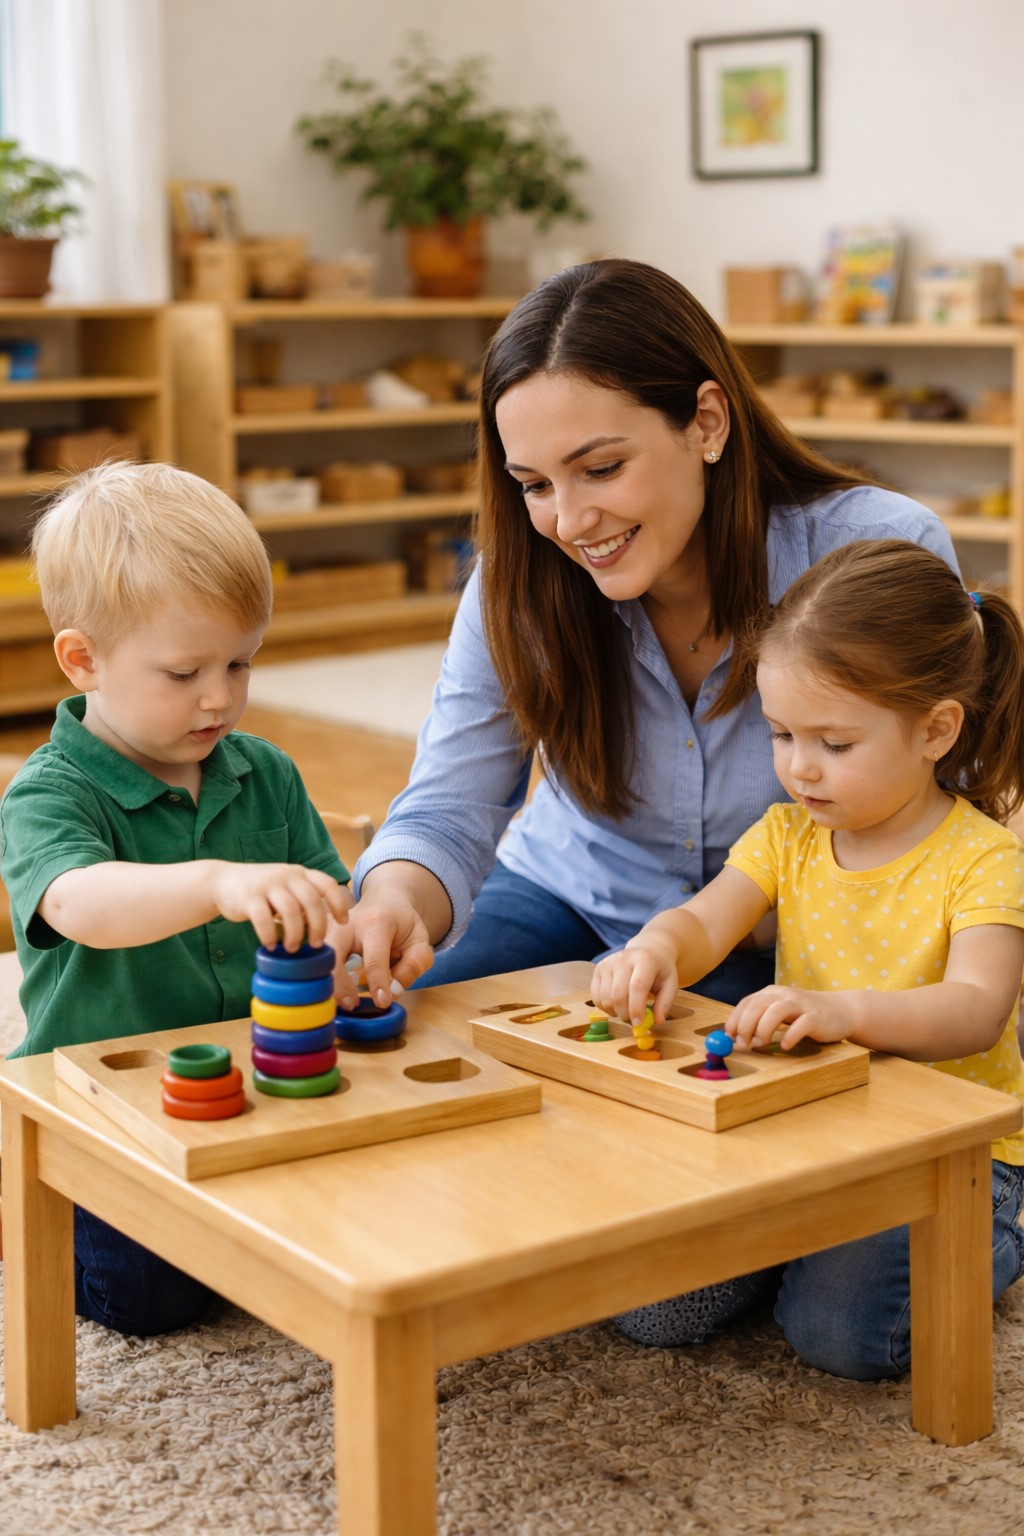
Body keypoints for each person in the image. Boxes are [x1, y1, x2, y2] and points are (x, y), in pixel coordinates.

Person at [346, 258, 958, 1008]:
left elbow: (943, 823)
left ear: (706, 421)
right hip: (566, 888)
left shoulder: (871, 550)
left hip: (775, 927)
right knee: (402, 1024)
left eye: (600, 468)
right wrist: (395, 901)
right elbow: (451, 801)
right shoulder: (518, 576)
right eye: (534, 485)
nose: (568, 523)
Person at [591, 538, 1024, 1380]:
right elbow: (706, 922)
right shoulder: (790, 833)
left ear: (936, 729)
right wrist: (652, 947)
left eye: (833, 742)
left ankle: (1004, 1235)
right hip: (810, 1135)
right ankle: (808, 1240)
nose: (798, 767)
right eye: (782, 734)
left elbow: (978, 1008)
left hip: (956, 1158)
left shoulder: (985, 858)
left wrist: (843, 1012)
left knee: (843, 1337)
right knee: (656, 1308)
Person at [0, 461, 352, 1336]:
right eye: (185, 671)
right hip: (107, 1112)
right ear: (83, 660)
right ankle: (17, 1200)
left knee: (336, 1233)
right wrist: (217, 882)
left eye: (240, 663)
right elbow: (81, 901)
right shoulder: (49, 794)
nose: (221, 697)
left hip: (254, 1086)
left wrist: (356, 946)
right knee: (152, 1304)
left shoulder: (264, 769)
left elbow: (329, 898)